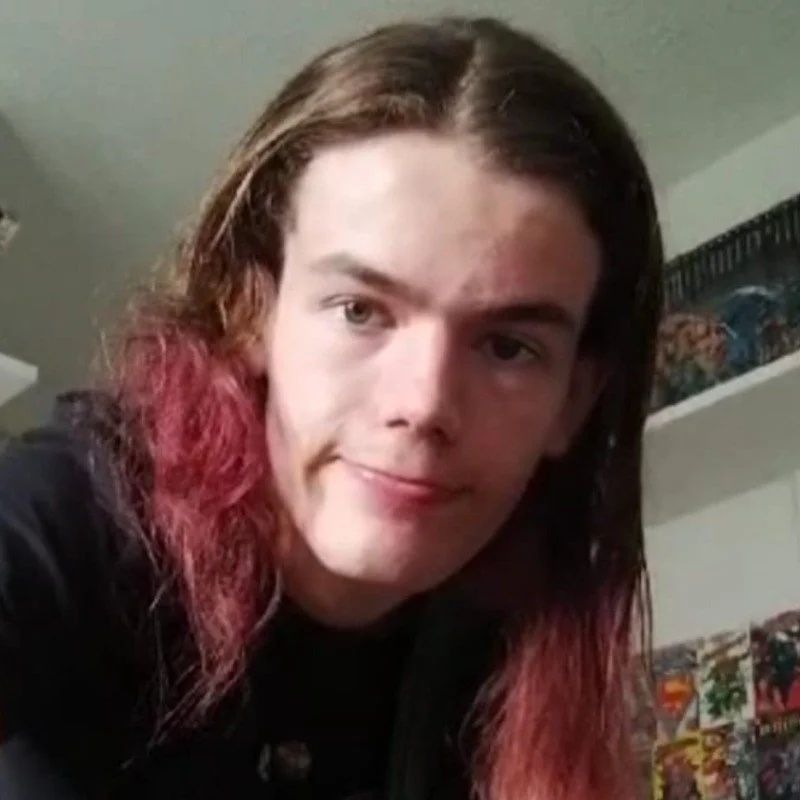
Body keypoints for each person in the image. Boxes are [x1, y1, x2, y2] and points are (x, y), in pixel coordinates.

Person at [0, 15, 663, 800]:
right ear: (252, 314)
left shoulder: (508, 665)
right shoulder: (78, 518)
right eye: (359, 310)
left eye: (508, 347)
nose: (423, 404)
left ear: (572, 404)